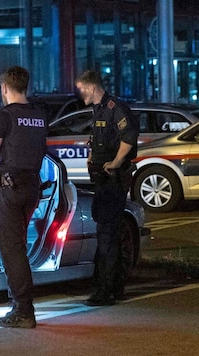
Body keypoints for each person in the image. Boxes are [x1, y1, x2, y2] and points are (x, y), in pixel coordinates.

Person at [0, 66, 48, 328]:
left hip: (9, 188)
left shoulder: (4, 117)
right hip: (32, 186)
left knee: (12, 248)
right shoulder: (39, 115)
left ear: (5, 88)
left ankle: (23, 310)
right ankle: (21, 306)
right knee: (17, 245)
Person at [76, 70, 139, 306]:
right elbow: (99, 139)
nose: (79, 92)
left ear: (92, 87)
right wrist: (92, 155)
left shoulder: (115, 108)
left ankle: (106, 291)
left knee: (107, 237)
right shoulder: (99, 110)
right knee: (108, 235)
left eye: (81, 88)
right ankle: (114, 287)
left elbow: (129, 137)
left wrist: (116, 162)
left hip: (113, 180)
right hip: (104, 180)